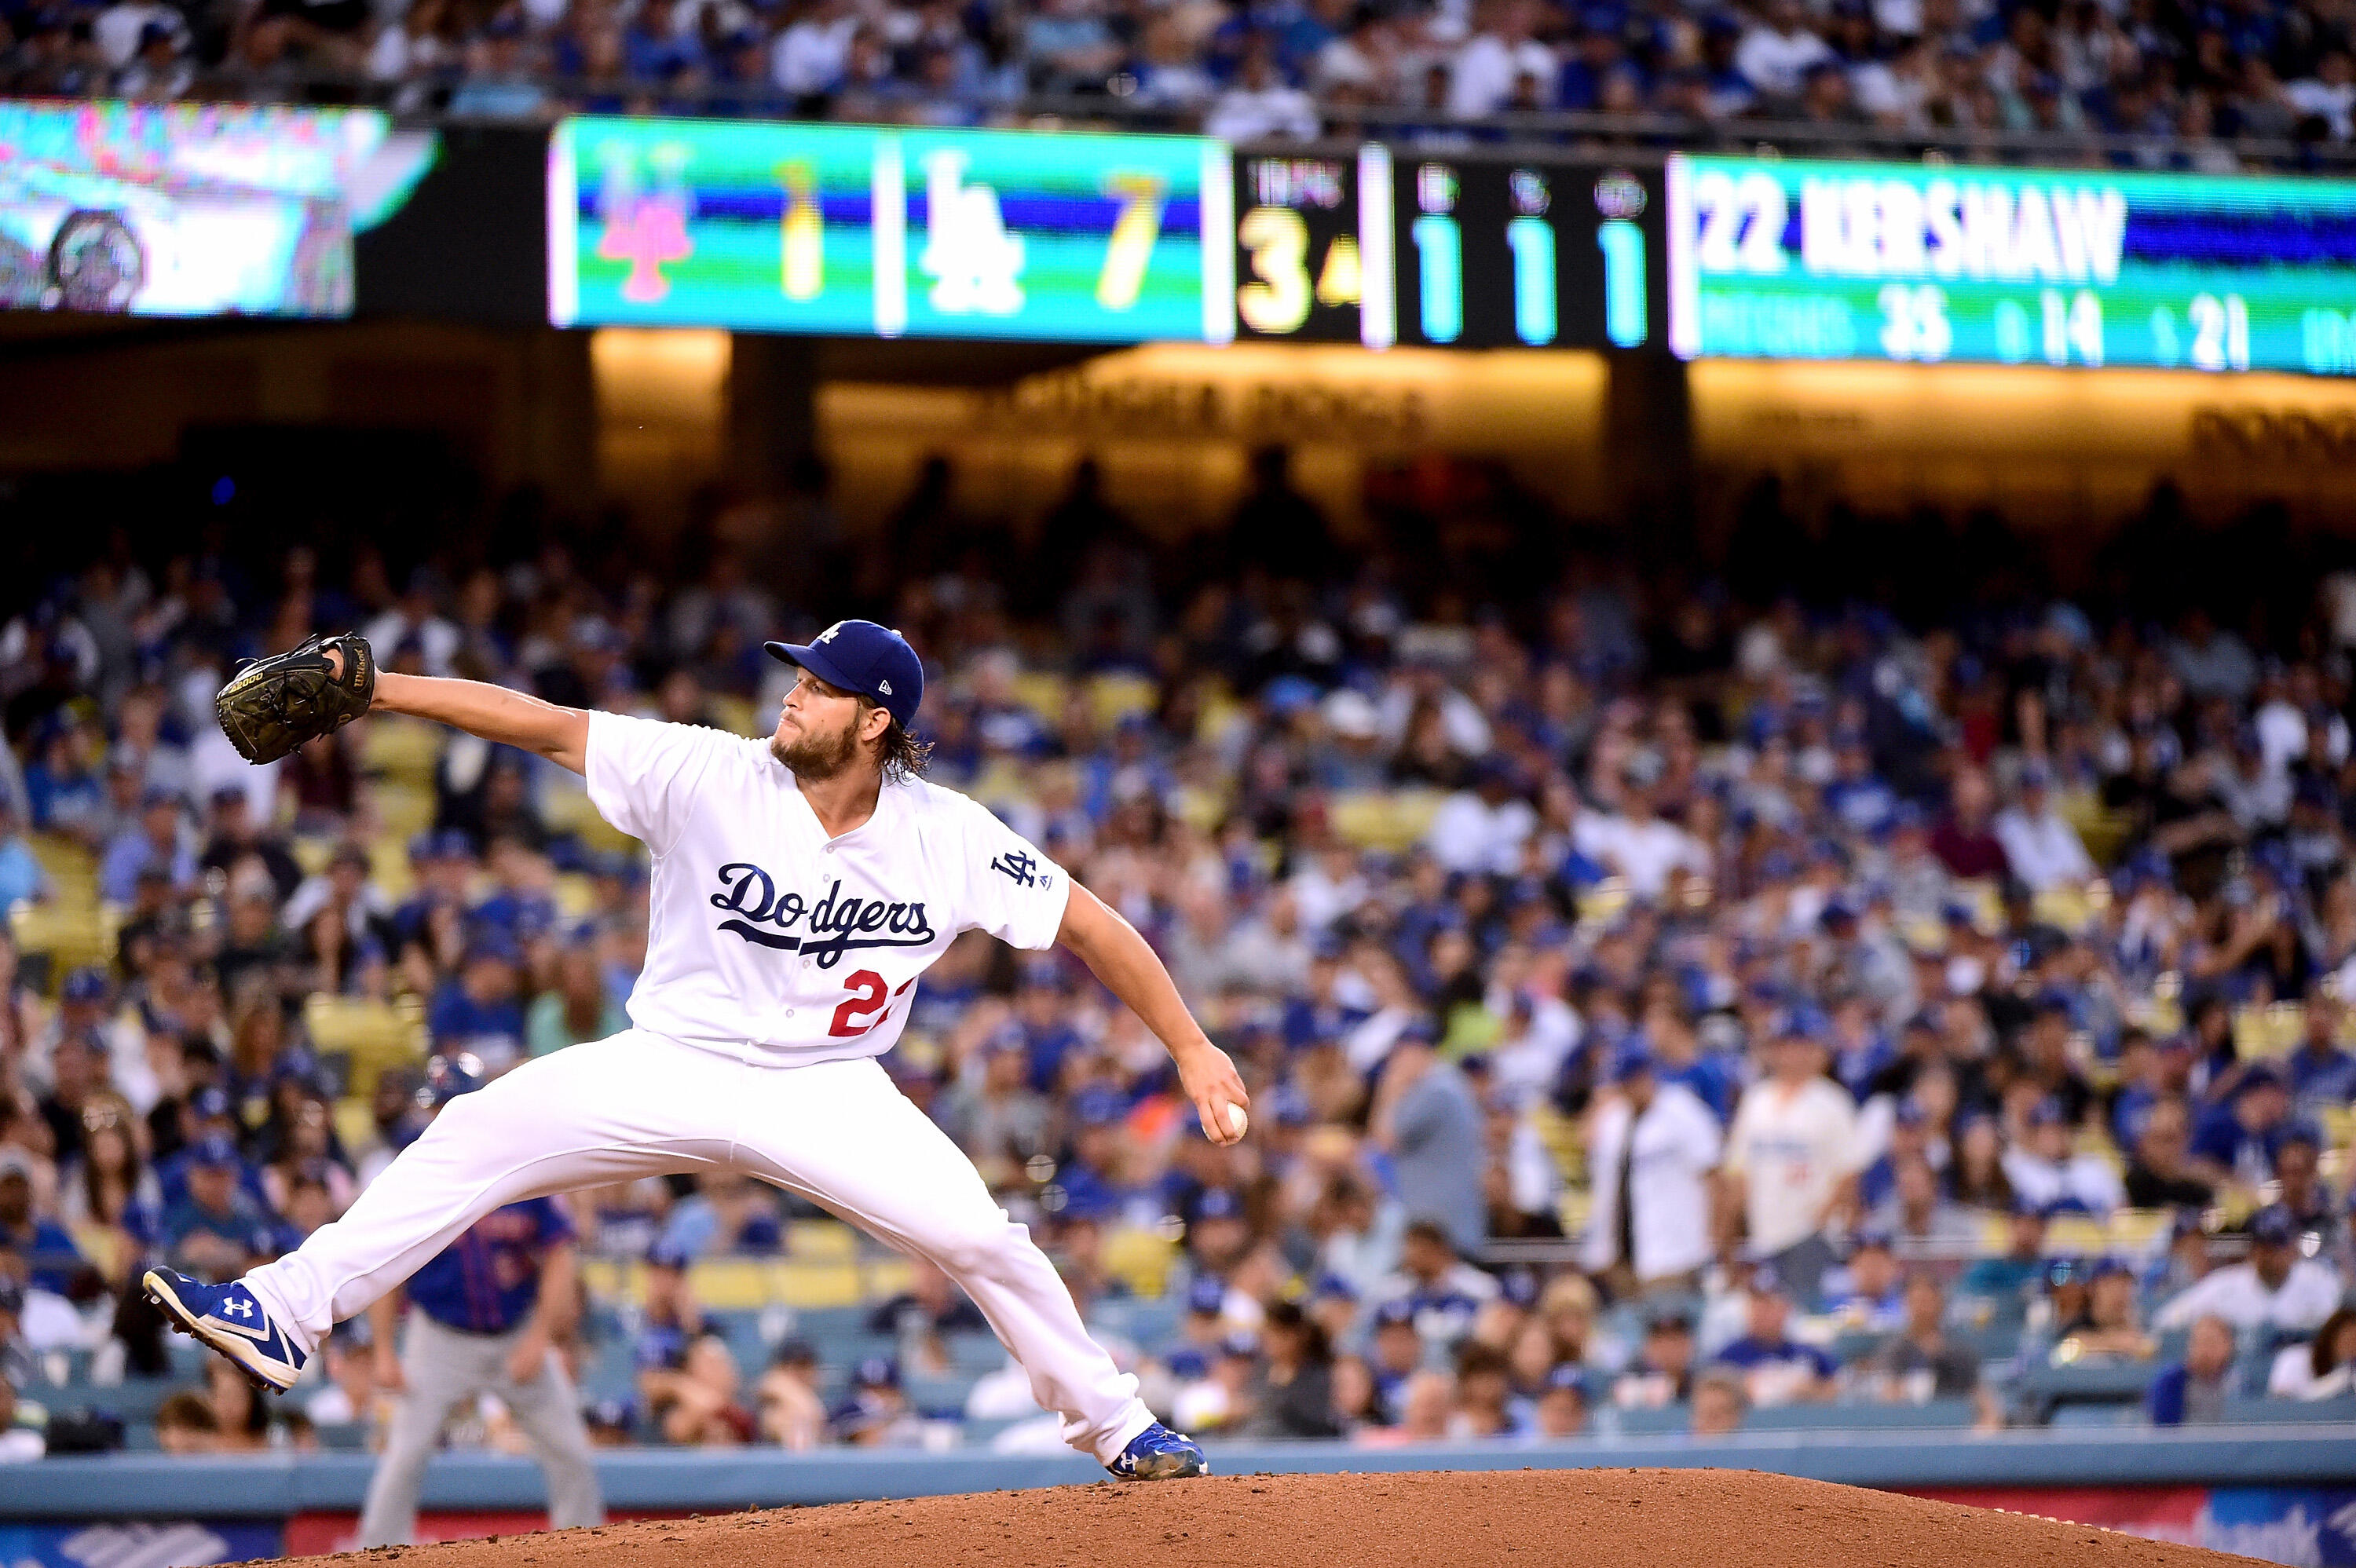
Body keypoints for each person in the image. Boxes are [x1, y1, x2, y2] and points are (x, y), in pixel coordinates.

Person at [147, 621, 1243, 1481]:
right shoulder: (709, 770)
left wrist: (1190, 1046)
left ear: (873, 721)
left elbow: (1093, 925)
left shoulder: (947, 834)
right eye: (797, 677)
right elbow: (545, 724)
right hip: (671, 1060)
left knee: (983, 1238)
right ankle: (284, 1313)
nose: (791, 694)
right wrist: (381, 692)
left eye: (816, 685)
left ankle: (1120, 1425)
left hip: (829, 1088)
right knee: (475, 1127)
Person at [357, 1054, 602, 1546]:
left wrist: (540, 1338)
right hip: (440, 1338)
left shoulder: (520, 1157)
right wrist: (383, 1348)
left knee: (572, 1454)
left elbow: (559, 1251)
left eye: (451, 1103)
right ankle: (373, 1554)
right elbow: (381, 1261)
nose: (441, 1115)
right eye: (435, 1106)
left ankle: (586, 1552)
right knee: (404, 1456)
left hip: (516, 1332)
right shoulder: (412, 1165)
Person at [1721, 1013, 1860, 1304]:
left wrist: (1818, 1223)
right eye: (1784, 1045)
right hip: (1762, 1236)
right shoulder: (1756, 1100)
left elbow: (1848, 1174)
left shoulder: (1832, 1102)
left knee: (1808, 1317)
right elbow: (1738, 1169)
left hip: (1810, 1237)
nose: (1791, 1054)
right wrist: (1734, 1230)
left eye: (1799, 1045)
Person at [1580, 1043, 1721, 1297]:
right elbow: (1586, 1145)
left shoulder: (1682, 1110)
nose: (1624, 1089)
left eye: (1629, 1082)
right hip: (1621, 1257)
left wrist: (1715, 1245)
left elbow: (1715, 1179)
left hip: (1674, 1255)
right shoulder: (1614, 1118)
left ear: (1645, 1076)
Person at [2153, 1205, 2342, 1335]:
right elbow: (2165, 1322)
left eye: (2278, 1246)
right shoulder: (2224, 1287)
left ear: (2293, 1248)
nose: (2271, 1255)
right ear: (2253, 1250)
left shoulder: (2319, 1281)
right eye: (2264, 1247)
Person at [2147, 1314, 2240, 1426]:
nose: (2205, 1350)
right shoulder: (2171, 1382)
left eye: (2211, 1342)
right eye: (2199, 1343)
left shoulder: (2239, 1382)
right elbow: (2165, 1432)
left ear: (2228, 1346)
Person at [2266, 1307, 2356, 1401]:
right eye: (2349, 1338)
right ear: (2331, 1335)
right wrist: (2336, 1382)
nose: (2352, 1345)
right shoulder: (2294, 1358)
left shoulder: (2349, 1369)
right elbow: (2279, 1401)